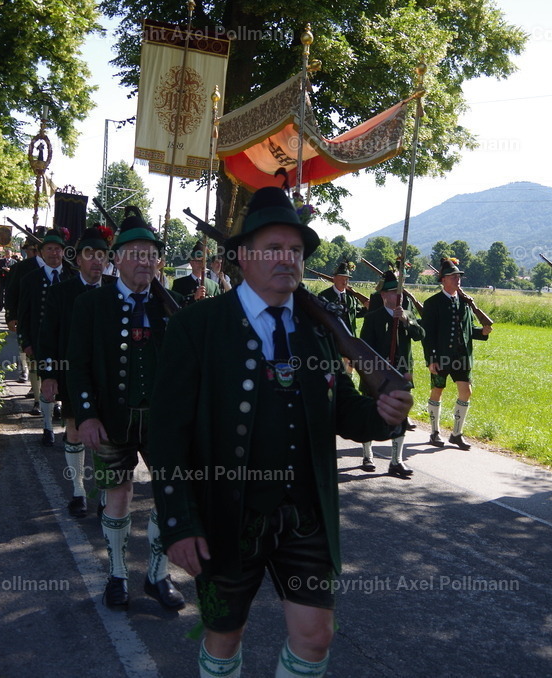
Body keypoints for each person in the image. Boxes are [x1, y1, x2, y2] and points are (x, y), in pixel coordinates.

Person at [147, 187, 413, 678]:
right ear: (243, 257)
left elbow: (342, 412)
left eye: (295, 250)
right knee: (225, 636)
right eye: (273, 248)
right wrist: (178, 523)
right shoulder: (198, 327)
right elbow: (166, 432)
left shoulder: (316, 331)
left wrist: (383, 415)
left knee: (315, 637)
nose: (286, 259)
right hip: (227, 514)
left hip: (306, 515)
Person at [67, 209, 186, 611]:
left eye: (151, 254)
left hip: (163, 423)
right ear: (116, 259)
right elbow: (78, 366)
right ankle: (117, 574)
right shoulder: (90, 305)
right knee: (117, 496)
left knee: (170, 497)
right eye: (135, 253)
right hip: (110, 421)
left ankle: (157, 574)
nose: (145, 261)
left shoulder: (171, 309)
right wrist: (85, 415)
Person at [38, 227, 115, 518]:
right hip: (72, 373)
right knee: (74, 430)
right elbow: (48, 336)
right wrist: (48, 374)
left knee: (106, 437)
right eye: (90, 254)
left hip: (108, 378)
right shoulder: (61, 293)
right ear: (78, 259)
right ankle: (78, 492)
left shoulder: (114, 291)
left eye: (101, 255)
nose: (96, 261)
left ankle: (106, 495)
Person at [420, 257, 492, 451]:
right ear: (443, 280)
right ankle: (434, 432)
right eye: (453, 276)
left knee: (466, 392)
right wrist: (431, 359)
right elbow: (427, 334)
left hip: (462, 357)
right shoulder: (432, 303)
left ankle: (456, 434)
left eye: (458, 276)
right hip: (441, 356)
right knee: (437, 390)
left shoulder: (465, 302)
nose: (457, 279)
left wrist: (481, 332)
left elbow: (467, 329)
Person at [359, 270, 424, 476]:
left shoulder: (408, 315)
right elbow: (364, 349)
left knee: (400, 416)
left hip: (401, 374)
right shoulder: (372, 318)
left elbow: (420, 335)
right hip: (377, 375)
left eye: (401, 293)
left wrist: (406, 321)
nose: (399, 297)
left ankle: (396, 460)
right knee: (370, 414)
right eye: (394, 293)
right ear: (384, 296)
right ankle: (367, 455)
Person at [17, 229, 71, 444]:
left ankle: (69, 428)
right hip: (41, 341)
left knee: (67, 385)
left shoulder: (71, 276)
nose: (54, 253)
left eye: (57, 249)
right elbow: (24, 314)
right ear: (41, 252)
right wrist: (26, 342)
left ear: (63, 252)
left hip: (67, 342)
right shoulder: (31, 279)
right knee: (46, 384)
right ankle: (48, 428)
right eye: (49, 249)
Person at [4, 237, 41, 386]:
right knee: (24, 345)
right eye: (30, 250)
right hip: (23, 314)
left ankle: (37, 387)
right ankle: (25, 371)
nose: (30, 253)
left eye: (33, 250)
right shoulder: (20, 268)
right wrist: (11, 316)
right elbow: (11, 293)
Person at [318, 260, 366, 336]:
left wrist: (368, 308)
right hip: (332, 337)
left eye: (346, 279)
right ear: (334, 279)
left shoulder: (351, 296)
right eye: (341, 279)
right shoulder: (324, 295)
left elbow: (357, 313)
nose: (344, 282)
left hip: (350, 337)